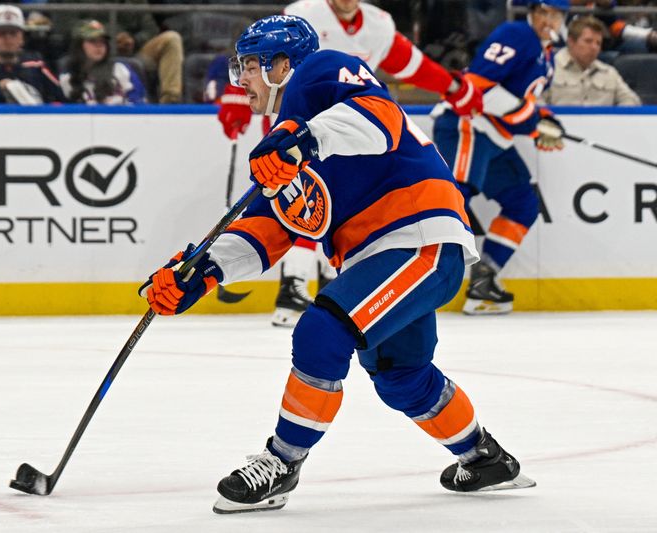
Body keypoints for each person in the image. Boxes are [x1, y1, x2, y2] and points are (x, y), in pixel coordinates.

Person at [141, 15, 533, 514]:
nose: (242, 79)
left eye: (251, 66)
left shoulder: (321, 70)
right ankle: (485, 458)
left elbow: (381, 117)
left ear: (283, 66)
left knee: (322, 331)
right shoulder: (282, 144)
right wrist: (202, 271)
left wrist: (303, 140)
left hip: (419, 239)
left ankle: (282, 462)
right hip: (384, 255)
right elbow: (270, 227)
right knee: (400, 373)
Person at [214, 0, 485, 327]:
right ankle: (295, 280)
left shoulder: (377, 23)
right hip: (293, 128)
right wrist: (238, 96)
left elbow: (412, 64)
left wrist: (453, 87)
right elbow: (258, 63)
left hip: (348, 130)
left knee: (321, 201)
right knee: (301, 200)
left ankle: (323, 282)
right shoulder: (303, 14)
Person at [432, 0, 569, 315]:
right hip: (468, 124)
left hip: (493, 136)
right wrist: (532, 123)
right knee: (453, 201)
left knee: (523, 203)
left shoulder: (548, 54)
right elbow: (478, 86)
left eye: (555, 14)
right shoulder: (517, 34)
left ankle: (485, 278)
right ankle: (418, 281)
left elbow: (522, 104)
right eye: (542, 12)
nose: (547, 20)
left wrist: (542, 122)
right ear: (532, 13)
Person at [542, 16, 641, 106]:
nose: (594, 47)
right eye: (588, 41)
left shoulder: (609, 73)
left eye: (598, 43)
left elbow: (632, 101)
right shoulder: (548, 69)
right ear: (571, 42)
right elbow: (537, 101)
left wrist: (615, 117)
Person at [60, 20, 146, 105]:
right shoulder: (68, 78)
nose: (99, 45)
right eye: (92, 41)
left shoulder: (121, 70)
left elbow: (139, 104)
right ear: (79, 45)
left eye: (102, 41)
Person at [114, 0, 184, 103]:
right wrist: (112, 39)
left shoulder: (137, 2)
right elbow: (89, 25)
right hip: (100, 49)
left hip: (136, 51)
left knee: (172, 39)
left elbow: (151, 29)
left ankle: (170, 101)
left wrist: (134, 40)